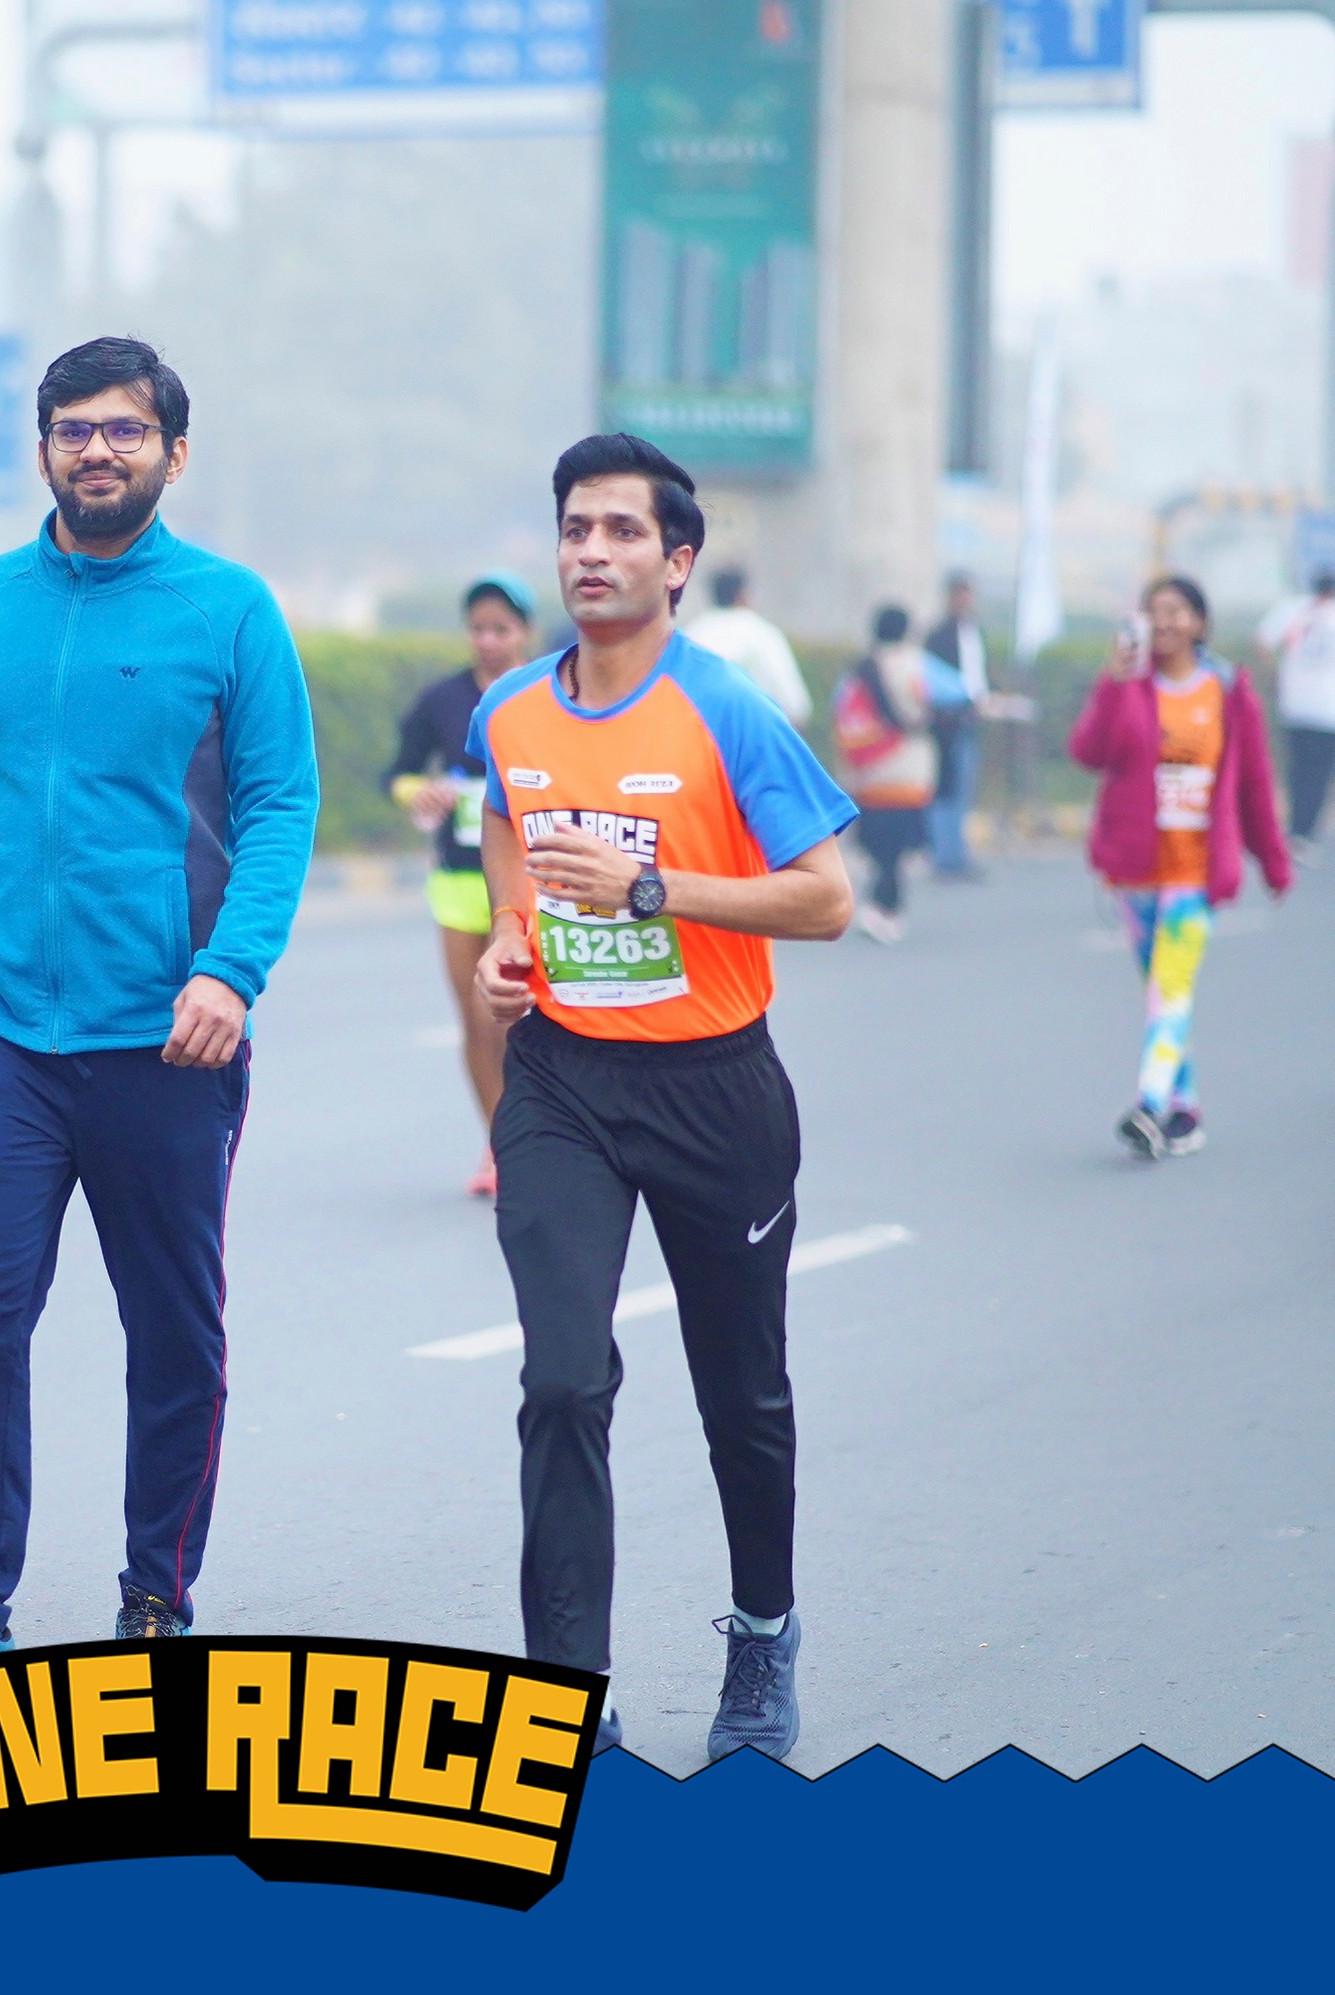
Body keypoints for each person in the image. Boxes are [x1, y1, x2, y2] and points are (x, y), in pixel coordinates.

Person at [0, 336, 319, 1671]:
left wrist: (229, 971)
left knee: (172, 1330)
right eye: (74, 430)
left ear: (173, 452)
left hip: (168, 1035)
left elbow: (279, 803)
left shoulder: (229, 609)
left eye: (125, 430)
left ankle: (155, 1594)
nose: (98, 451)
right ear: (44, 450)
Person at [468, 432, 856, 1761]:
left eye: (623, 531)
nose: (593, 551)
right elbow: (504, 817)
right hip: (563, 1080)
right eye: (576, 528)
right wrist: (512, 933)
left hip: (714, 1084)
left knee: (740, 1392)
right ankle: (565, 1691)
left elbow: (826, 898)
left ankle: (763, 1631)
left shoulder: (724, 710)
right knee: (563, 1380)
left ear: (677, 561)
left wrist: (652, 889)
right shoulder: (512, 709)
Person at [1069, 576, 1291, 1161]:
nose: (1164, 622)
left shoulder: (1226, 689)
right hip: (1136, 868)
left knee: (1171, 988)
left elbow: (1254, 780)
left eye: (1176, 611)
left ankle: (1148, 1103)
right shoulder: (1130, 684)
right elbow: (1089, 753)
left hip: (1195, 870)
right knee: (1165, 992)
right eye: (1153, 611)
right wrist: (1113, 683)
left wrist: (1272, 860)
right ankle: (1184, 1108)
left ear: (1199, 622)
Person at [386, 572, 538, 1197]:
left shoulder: (548, 694)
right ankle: (501, 1145)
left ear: (524, 632)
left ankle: (544, 1139)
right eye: (478, 629)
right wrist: (419, 793)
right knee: (479, 1023)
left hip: (532, 881)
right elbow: (397, 775)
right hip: (459, 881)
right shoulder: (442, 700)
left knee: (527, 1025)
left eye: (501, 628)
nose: (489, 640)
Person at [832, 604, 937, 943]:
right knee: (897, 851)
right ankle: (887, 910)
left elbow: (841, 709)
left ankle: (881, 908)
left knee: (878, 848)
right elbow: (943, 699)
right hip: (908, 772)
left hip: (868, 775)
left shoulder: (859, 669)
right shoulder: (917, 664)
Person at [1253, 567, 1335, 844]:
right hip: (1329, 708)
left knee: (1297, 768)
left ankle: (1295, 825)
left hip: (1294, 703)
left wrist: (1275, 675)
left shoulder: (1293, 610)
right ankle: (1305, 830)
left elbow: (1262, 641)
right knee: (1319, 773)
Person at [680, 566, 811, 727]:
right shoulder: (761, 632)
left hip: (694, 731)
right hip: (751, 730)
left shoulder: (694, 632)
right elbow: (794, 705)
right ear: (742, 595)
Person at [921, 571, 988, 879]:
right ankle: (944, 854)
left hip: (969, 720)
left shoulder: (974, 632)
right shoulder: (938, 635)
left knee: (963, 787)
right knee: (946, 788)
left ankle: (957, 852)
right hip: (947, 724)